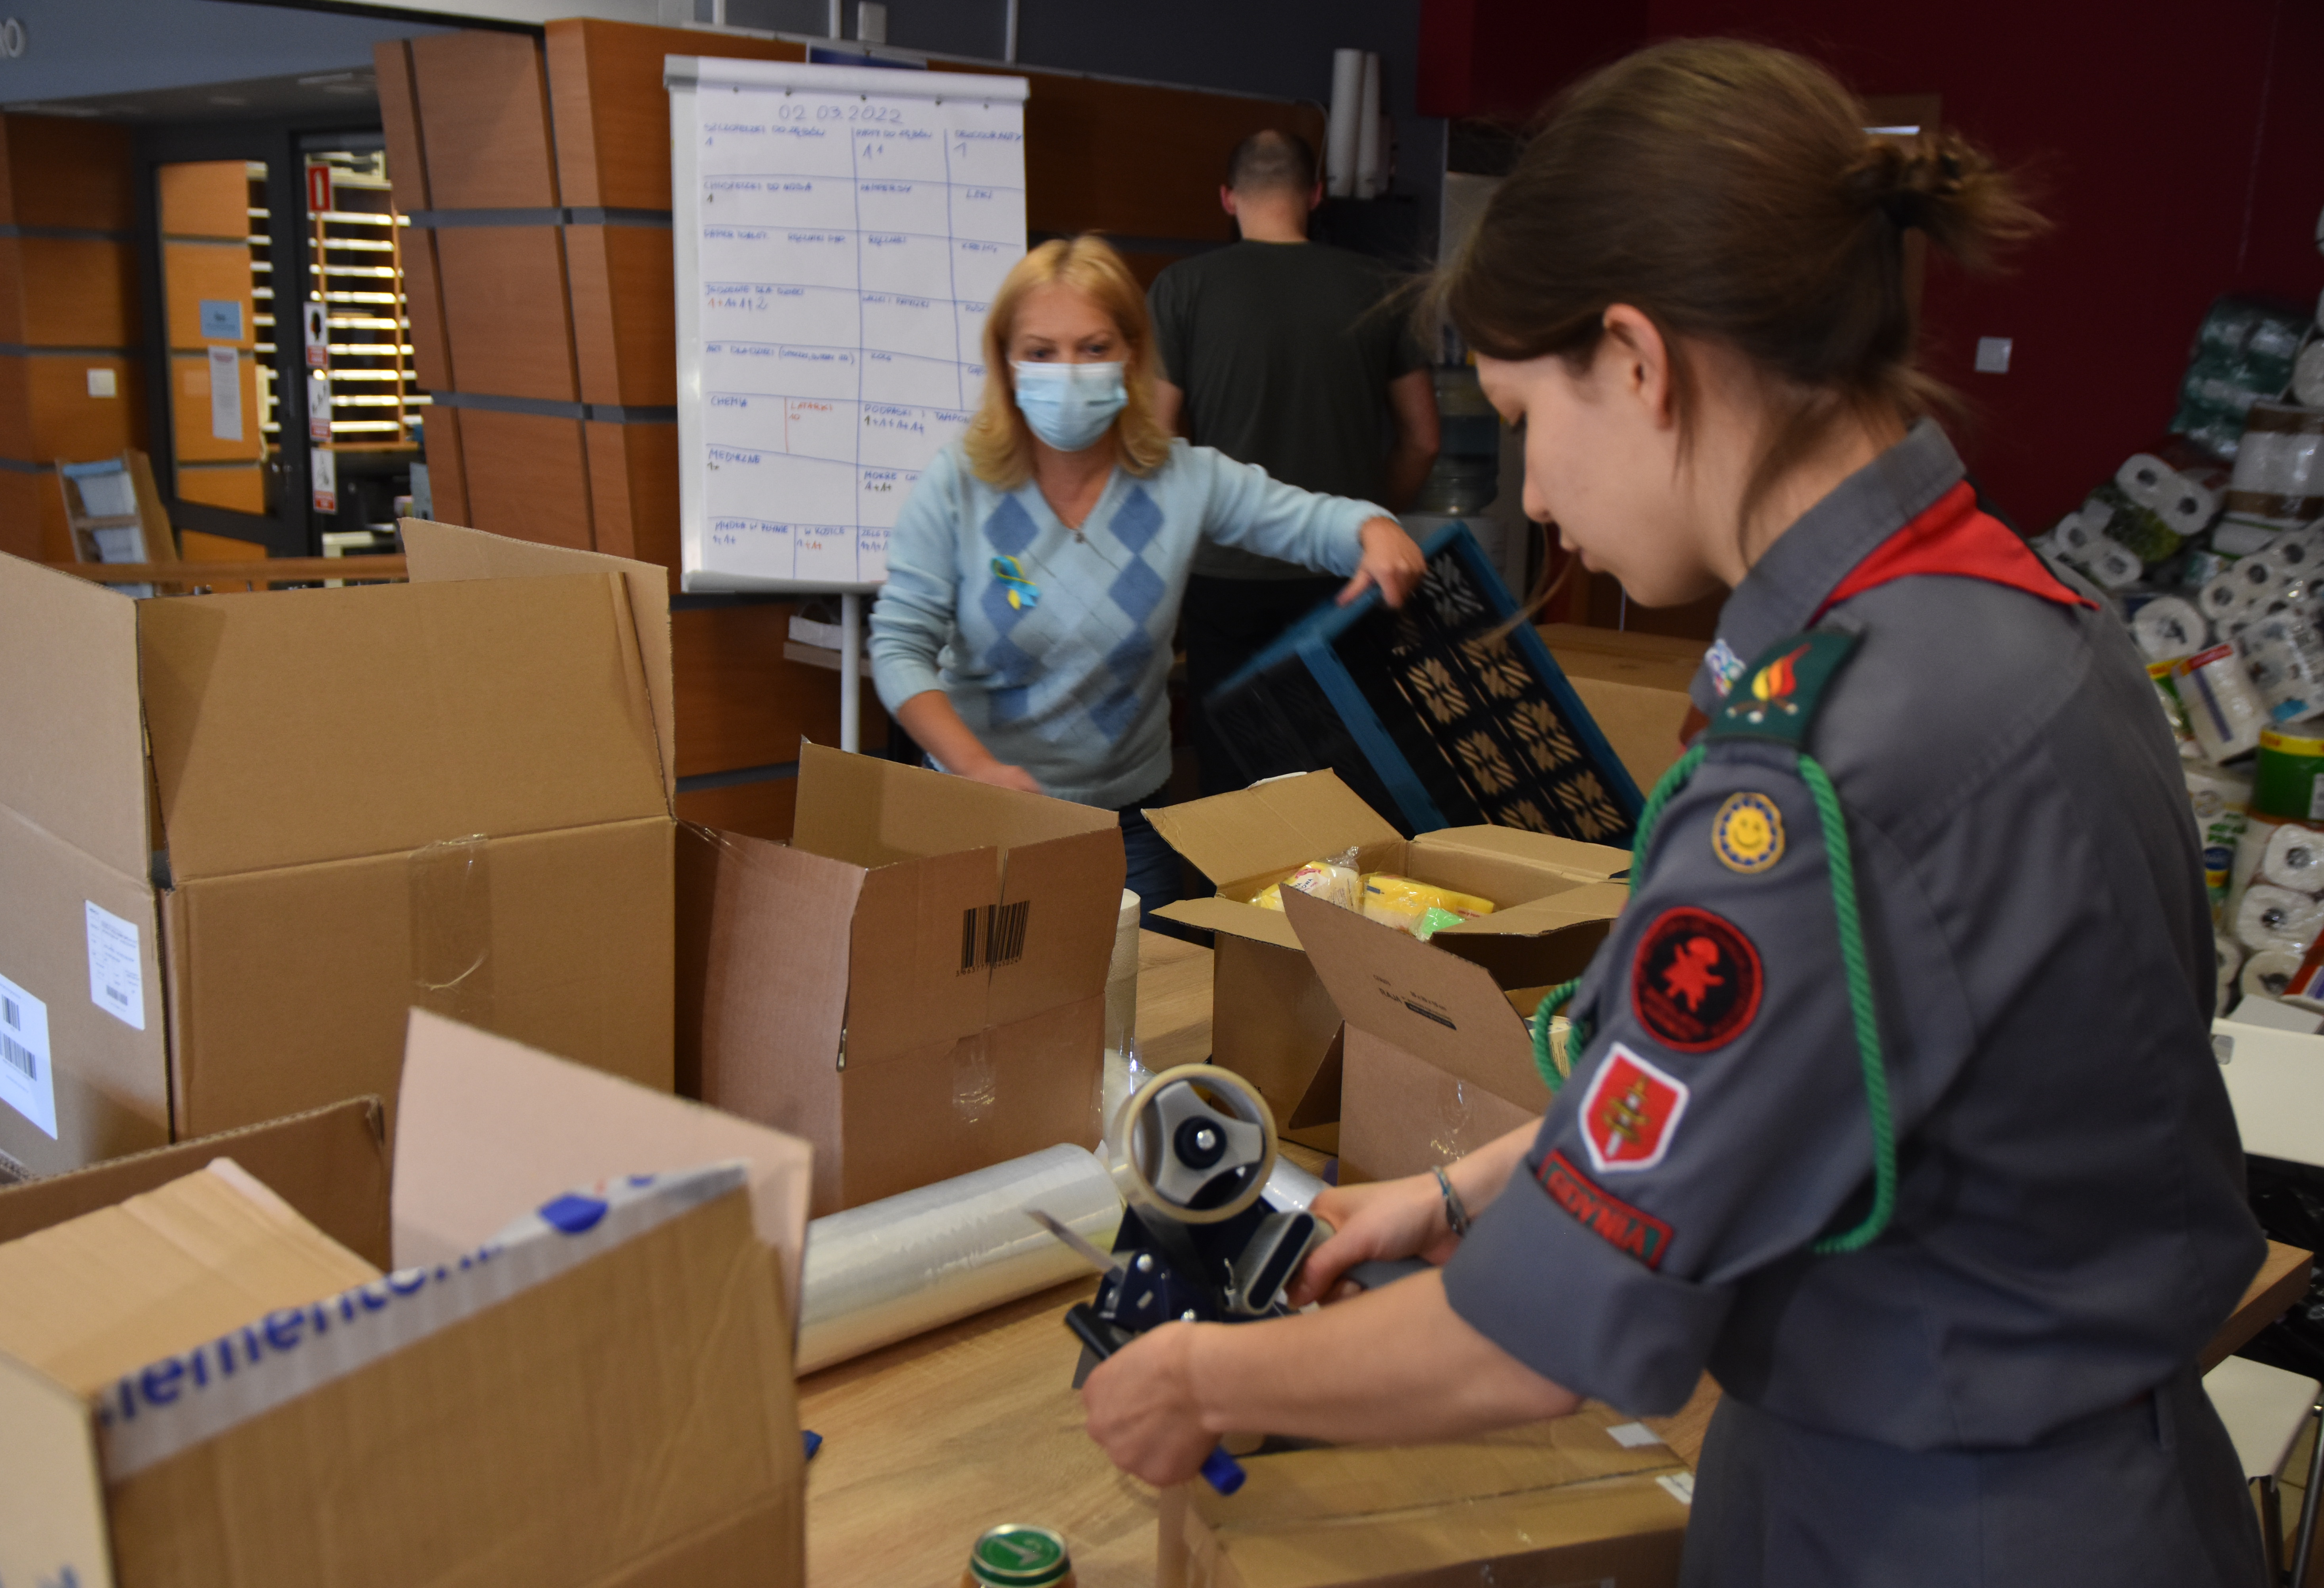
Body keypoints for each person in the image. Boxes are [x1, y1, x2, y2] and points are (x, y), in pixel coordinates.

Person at [1077, 40, 2270, 1588]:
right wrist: (1462, 1191)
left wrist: (1202, 1378)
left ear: (1639, 364)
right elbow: (1808, 1077)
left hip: (1933, 1523)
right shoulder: (2028, 616)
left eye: (1527, 416)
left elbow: (1543, 1335)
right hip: (2106, 1484)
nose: (1535, 494)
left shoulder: (1816, 767)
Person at [868, 235, 1426, 924]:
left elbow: (1307, 521)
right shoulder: (958, 485)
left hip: (1128, 828)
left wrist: (1373, 528)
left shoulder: (1181, 479)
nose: (1068, 372)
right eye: (1041, 351)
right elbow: (899, 647)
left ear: (1133, 354)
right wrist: (976, 768)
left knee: (1146, 989)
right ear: (1006, 362)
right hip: (976, 819)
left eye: (1093, 347)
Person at [1148, 129, 1442, 795]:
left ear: (1228, 198)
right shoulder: (1381, 287)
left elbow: (1154, 444)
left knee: (1234, 777)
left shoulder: (1182, 288)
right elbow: (1423, 439)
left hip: (1226, 576)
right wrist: (1373, 518)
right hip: (1349, 574)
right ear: (1315, 195)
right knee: (1349, 774)